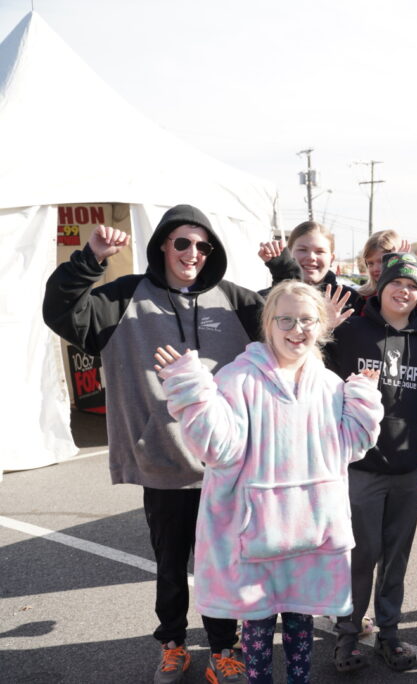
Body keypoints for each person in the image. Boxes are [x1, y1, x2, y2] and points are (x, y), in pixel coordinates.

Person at [41, 206, 262, 684]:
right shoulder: (125, 297)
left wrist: (286, 269)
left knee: (221, 567)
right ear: (163, 244)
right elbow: (61, 311)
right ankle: (173, 645)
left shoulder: (234, 300)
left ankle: (224, 649)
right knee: (170, 567)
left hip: (224, 465)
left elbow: (291, 327)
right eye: (182, 242)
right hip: (162, 462)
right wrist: (90, 258)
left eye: (203, 245)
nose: (193, 253)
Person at [154, 280, 385, 684]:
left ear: (321, 326)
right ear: (269, 324)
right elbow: (219, 449)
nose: (297, 329)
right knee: (257, 636)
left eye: (307, 320)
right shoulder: (238, 378)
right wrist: (191, 392)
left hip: (311, 536)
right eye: (286, 320)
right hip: (258, 539)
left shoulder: (330, 385)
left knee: (300, 630)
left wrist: (364, 399)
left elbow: (351, 447)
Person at [327, 253, 417, 672]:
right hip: (361, 470)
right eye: (397, 283)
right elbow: (322, 387)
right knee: (360, 556)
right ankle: (347, 638)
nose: (404, 291)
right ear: (381, 287)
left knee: (396, 557)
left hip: (407, 470)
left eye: (413, 286)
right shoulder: (350, 333)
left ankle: (390, 634)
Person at [258, 220, 360, 303]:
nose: (311, 257)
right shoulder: (263, 300)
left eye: (320, 251)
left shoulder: (351, 299)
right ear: (289, 254)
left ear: (331, 258)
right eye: (302, 250)